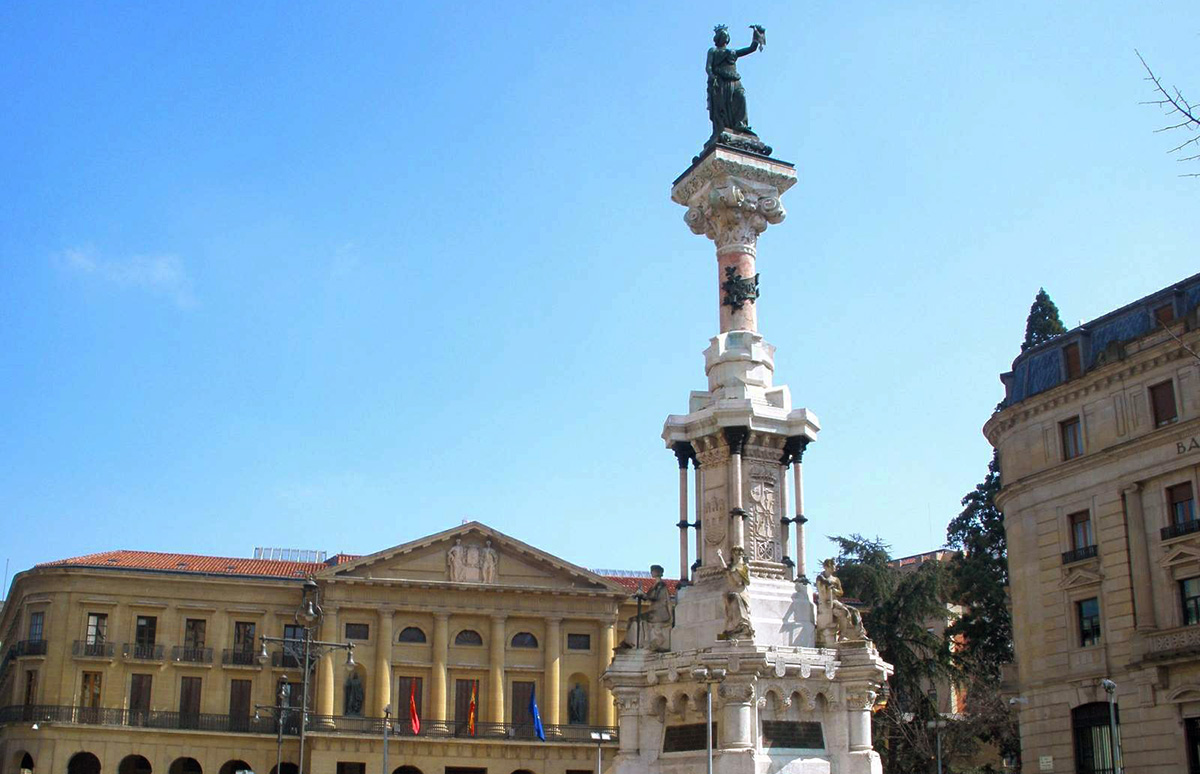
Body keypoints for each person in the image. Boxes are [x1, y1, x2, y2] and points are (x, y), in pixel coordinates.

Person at [707, 24, 765, 138]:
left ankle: (740, 124)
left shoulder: (733, 52)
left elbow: (751, 48)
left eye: (725, 36)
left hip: (735, 81)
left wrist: (757, 35)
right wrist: (712, 75)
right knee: (722, 107)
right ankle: (724, 128)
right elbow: (708, 66)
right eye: (721, 36)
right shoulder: (713, 51)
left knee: (741, 96)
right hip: (721, 82)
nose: (724, 38)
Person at [617, 564, 674, 651]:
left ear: (657, 572)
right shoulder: (654, 585)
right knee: (632, 619)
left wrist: (642, 595)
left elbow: (653, 597)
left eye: (653, 571)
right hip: (653, 612)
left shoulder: (661, 585)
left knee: (635, 619)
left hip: (659, 613)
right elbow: (647, 596)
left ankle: (636, 643)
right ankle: (630, 642)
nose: (652, 572)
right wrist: (638, 595)